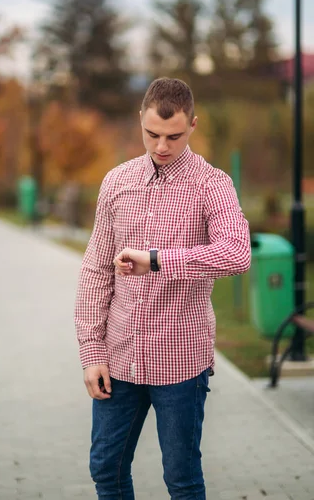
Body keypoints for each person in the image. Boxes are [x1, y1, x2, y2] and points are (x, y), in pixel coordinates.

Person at [74, 77, 251, 500]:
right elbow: (96, 270)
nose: (161, 146)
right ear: (140, 120)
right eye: (152, 134)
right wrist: (91, 352)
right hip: (118, 358)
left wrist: (157, 260)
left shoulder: (213, 185)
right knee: (106, 469)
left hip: (180, 364)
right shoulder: (116, 182)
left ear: (193, 124)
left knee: (182, 480)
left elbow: (237, 253)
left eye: (173, 136)